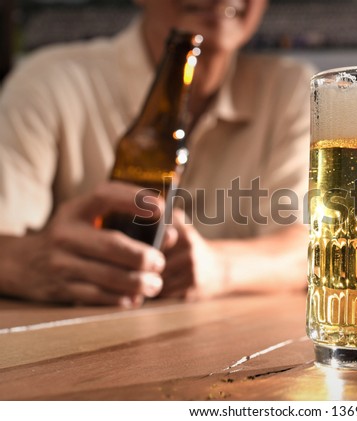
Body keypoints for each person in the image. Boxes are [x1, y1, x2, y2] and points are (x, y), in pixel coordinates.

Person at [0, 0, 313, 306]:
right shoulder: (49, 81)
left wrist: (217, 268)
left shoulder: (289, 89)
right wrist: (31, 263)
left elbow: (306, 251)